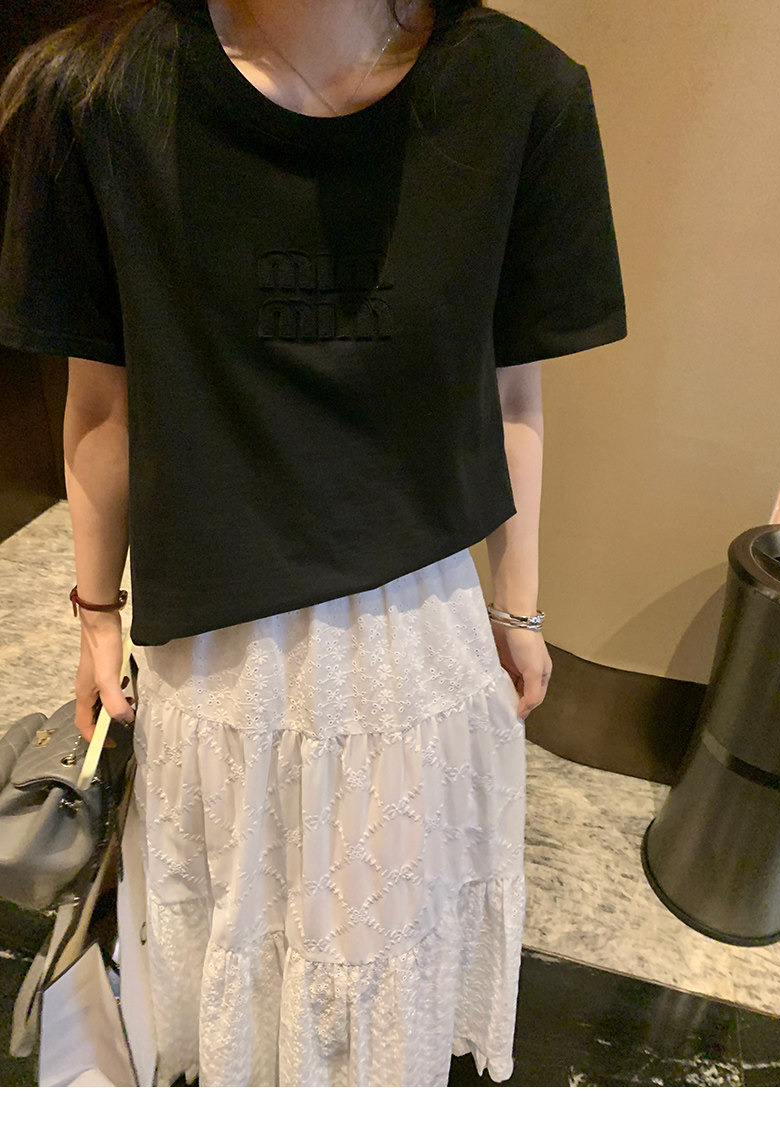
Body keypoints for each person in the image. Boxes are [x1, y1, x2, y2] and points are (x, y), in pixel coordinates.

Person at [0, 0, 626, 1086]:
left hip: (415, 647)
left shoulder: (522, 92)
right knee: (235, 954)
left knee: (377, 966)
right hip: (216, 653)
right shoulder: (95, 94)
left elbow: (510, 389)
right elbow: (100, 400)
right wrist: (96, 618)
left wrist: (518, 607)